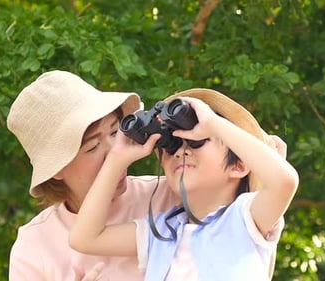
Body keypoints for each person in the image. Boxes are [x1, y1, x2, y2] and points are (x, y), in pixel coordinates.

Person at [69, 88, 299, 281]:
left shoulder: (245, 218)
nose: (181, 152)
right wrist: (117, 159)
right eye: (171, 145)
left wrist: (214, 124)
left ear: (238, 165)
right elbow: (85, 238)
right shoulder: (163, 232)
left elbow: (285, 181)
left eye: (197, 141)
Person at [6, 70, 178, 281]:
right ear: (56, 169)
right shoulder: (34, 246)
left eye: (116, 133)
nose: (116, 152)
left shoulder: (166, 194)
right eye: (93, 146)